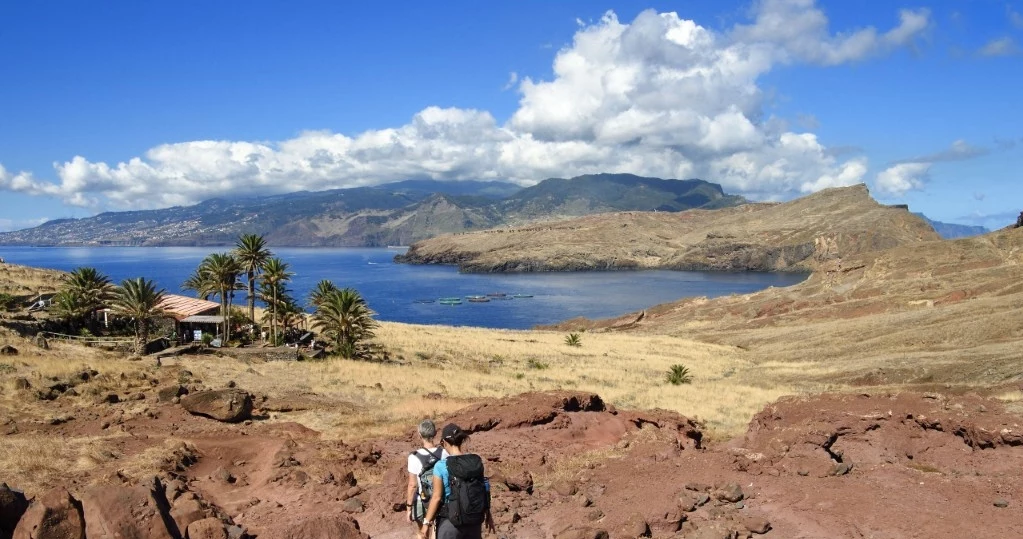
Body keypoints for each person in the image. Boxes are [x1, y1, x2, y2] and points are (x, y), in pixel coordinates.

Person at [419, 423, 496, 539]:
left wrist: (426, 524)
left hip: (450, 523)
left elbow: (436, 497)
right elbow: (483, 489)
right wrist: (488, 514)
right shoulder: (475, 462)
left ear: (444, 442)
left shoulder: (441, 466)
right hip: (473, 522)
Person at [407, 419, 448, 533]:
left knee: (423, 532)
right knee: (436, 529)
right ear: (435, 433)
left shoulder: (413, 457)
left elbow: (412, 485)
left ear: (419, 434)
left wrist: (408, 508)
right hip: (440, 498)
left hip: (422, 499)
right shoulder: (443, 453)